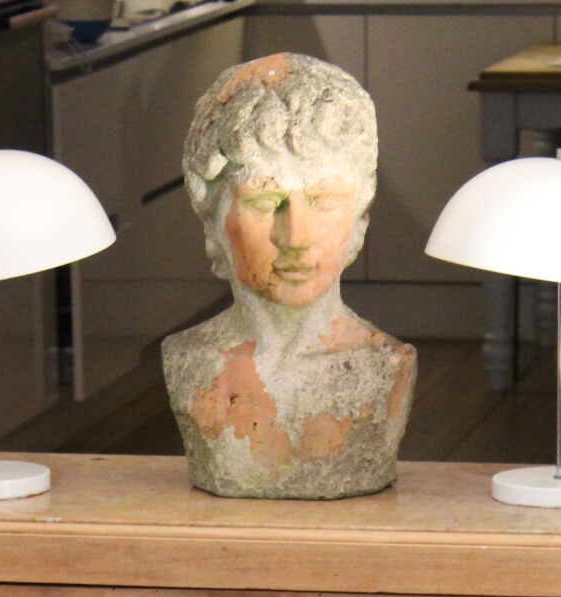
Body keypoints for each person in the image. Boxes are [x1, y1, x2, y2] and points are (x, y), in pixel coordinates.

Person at [163, 52, 416, 499]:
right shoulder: (190, 361)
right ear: (213, 223)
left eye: (323, 202)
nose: (296, 236)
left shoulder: (385, 364)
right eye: (265, 203)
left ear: (360, 219)